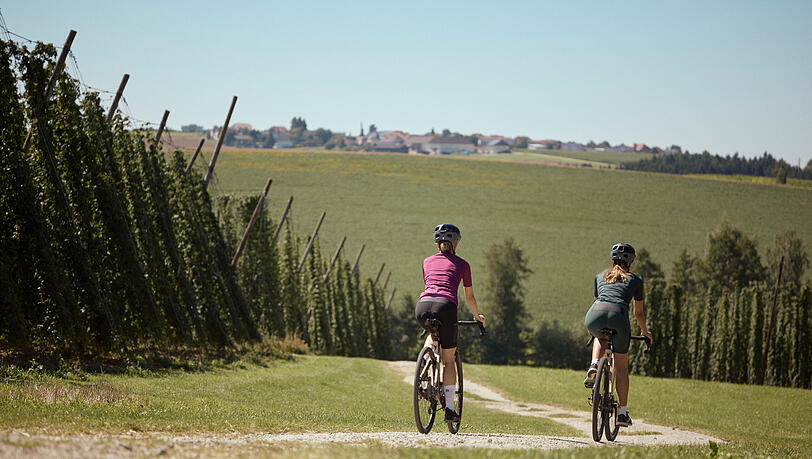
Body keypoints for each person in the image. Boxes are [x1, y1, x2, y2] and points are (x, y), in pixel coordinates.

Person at [415, 224, 485, 423]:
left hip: (422, 306)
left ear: (437, 244)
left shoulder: (426, 261)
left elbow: (431, 285)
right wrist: (477, 317)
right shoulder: (463, 265)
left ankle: (425, 362)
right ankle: (449, 409)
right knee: (448, 360)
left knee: (431, 333)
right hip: (446, 307)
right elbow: (469, 297)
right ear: (456, 243)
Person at [583, 243, 652, 427]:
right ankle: (621, 413)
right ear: (630, 263)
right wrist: (645, 332)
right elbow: (638, 313)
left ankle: (594, 365)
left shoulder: (600, 276)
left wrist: (593, 326)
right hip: (619, 317)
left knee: (600, 337)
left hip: (594, 315)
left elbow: (598, 301)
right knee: (621, 368)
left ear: (612, 260)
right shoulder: (635, 280)